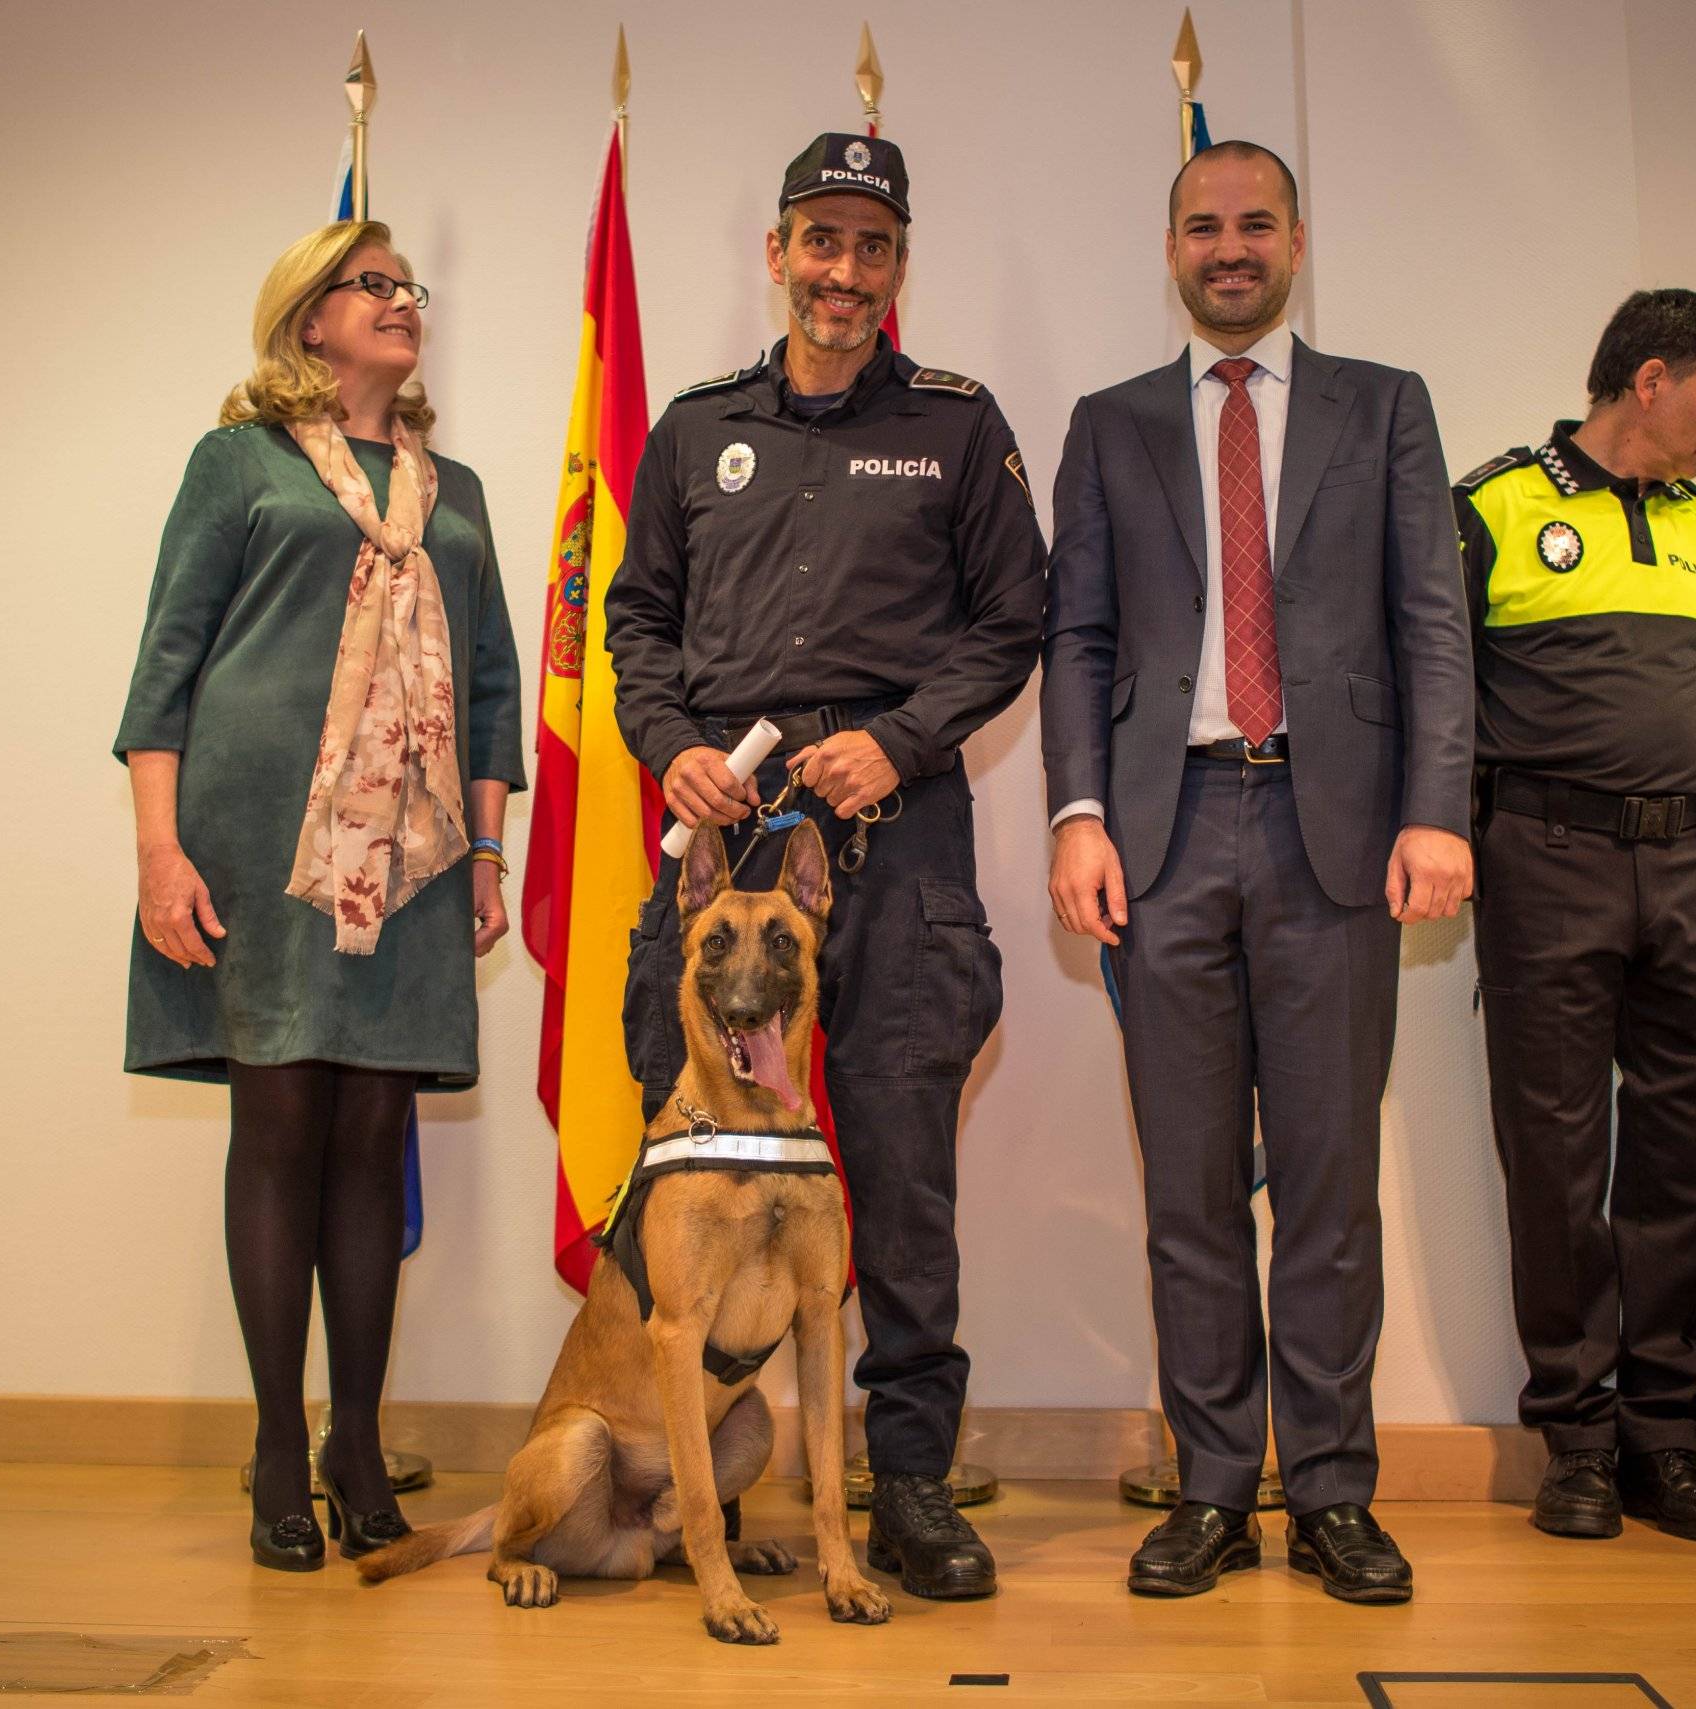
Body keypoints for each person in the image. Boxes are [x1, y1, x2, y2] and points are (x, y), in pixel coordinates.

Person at [604, 132, 1046, 1602]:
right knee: (698, 1167)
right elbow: (636, 623)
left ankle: (909, 1484)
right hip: (724, 860)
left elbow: (1011, 623)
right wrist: (670, 741)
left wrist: (905, 741)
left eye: (872, 247)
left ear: (897, 266)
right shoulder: (692, 427)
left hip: (895, 846)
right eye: (820, 241)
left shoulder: (958, 423)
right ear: (777, 252)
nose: (843, 272)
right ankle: (674, 1465)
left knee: (904, 1176)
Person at [1041, 141, 1474, 1605]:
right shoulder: (1109, 425)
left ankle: (1336, 1491)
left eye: (1255, 224)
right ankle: (1217, 1487)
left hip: (1335, 835)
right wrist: (1077, 814)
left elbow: (1433, 627)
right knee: (1192, 1189)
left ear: (1297, 237)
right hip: (1161, 837)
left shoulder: (1386, 408)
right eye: (1202, 225)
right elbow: (1080, 641)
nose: (1230, 248)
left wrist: (1437, 808)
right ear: (1170, 244)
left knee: (1333, 1187)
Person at [113, 220, 523, 1570]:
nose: (404, 305)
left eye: (410, 289)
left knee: (369, 1136)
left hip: (409, 860)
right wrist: (158, 852)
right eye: (375, 287)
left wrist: (488, 851)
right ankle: (277, 1447)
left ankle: (358, 1437)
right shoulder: (236, 463)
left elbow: (494, 688)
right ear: (308, 324)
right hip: (258, 851)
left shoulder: (449, 484)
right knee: (282, 1125)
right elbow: (166, 666)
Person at [1452, 288, 1696, 1545]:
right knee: (1555, 1159)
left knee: (1685, 1158)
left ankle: (1664, 1441)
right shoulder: (1495, 503)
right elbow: (1435, 675)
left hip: (1693, 872)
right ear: (1649, 379)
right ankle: (1576, 1443)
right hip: (1547, 864)